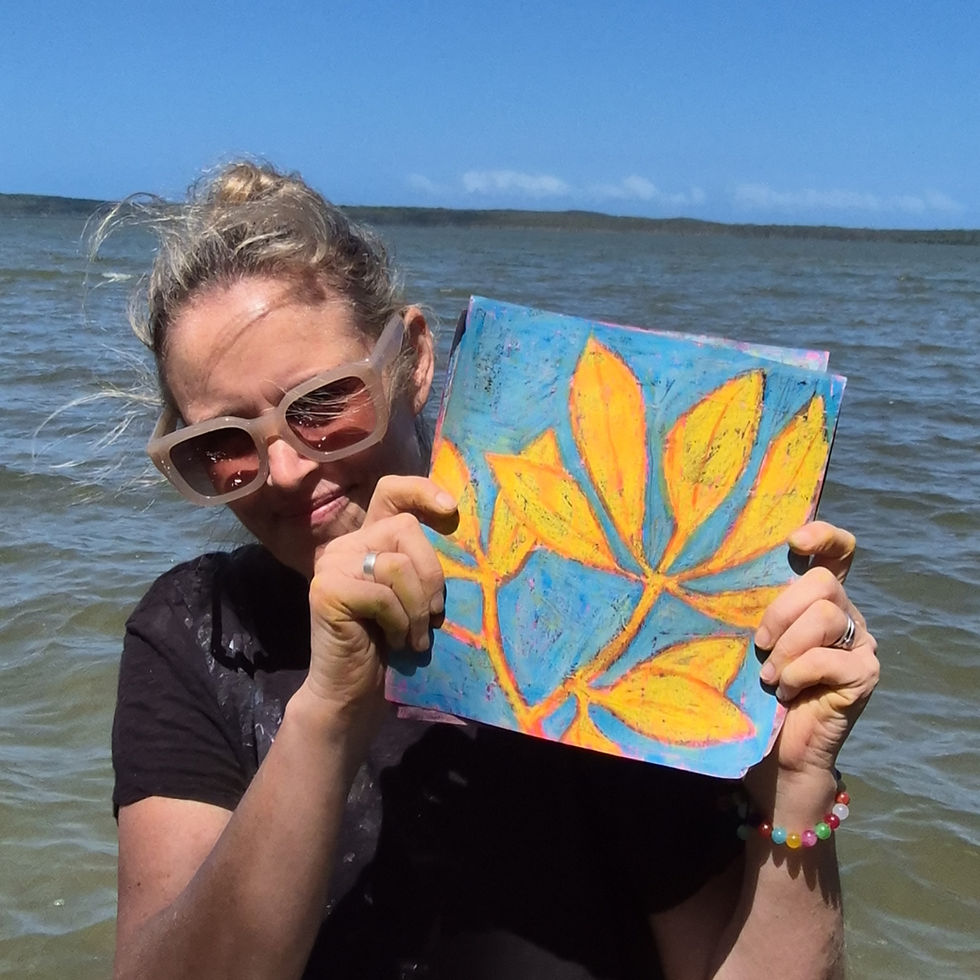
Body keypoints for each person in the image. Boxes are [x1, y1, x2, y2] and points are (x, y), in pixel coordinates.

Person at [104, 161, 879, 980]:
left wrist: (795, 789)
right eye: (221, 447)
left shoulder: (590, 622)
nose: (286, 469)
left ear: (416, 360)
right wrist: (327, 716)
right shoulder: (196, 636)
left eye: (323, 404)